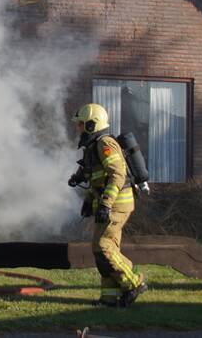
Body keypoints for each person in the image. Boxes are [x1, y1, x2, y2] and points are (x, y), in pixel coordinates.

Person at [69, 103, 147, 307]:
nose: (77, 128)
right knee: (109, 247)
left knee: (102, 246)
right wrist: (89, 201)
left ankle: (133, 282)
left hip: (117, 204)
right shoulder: (92, 146)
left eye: (81, 124)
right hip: (109, 203)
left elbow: (117, 175)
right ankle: (109, 298)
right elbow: (97, 179)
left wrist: (105, 204)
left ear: (91, 125)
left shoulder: (105, 144)